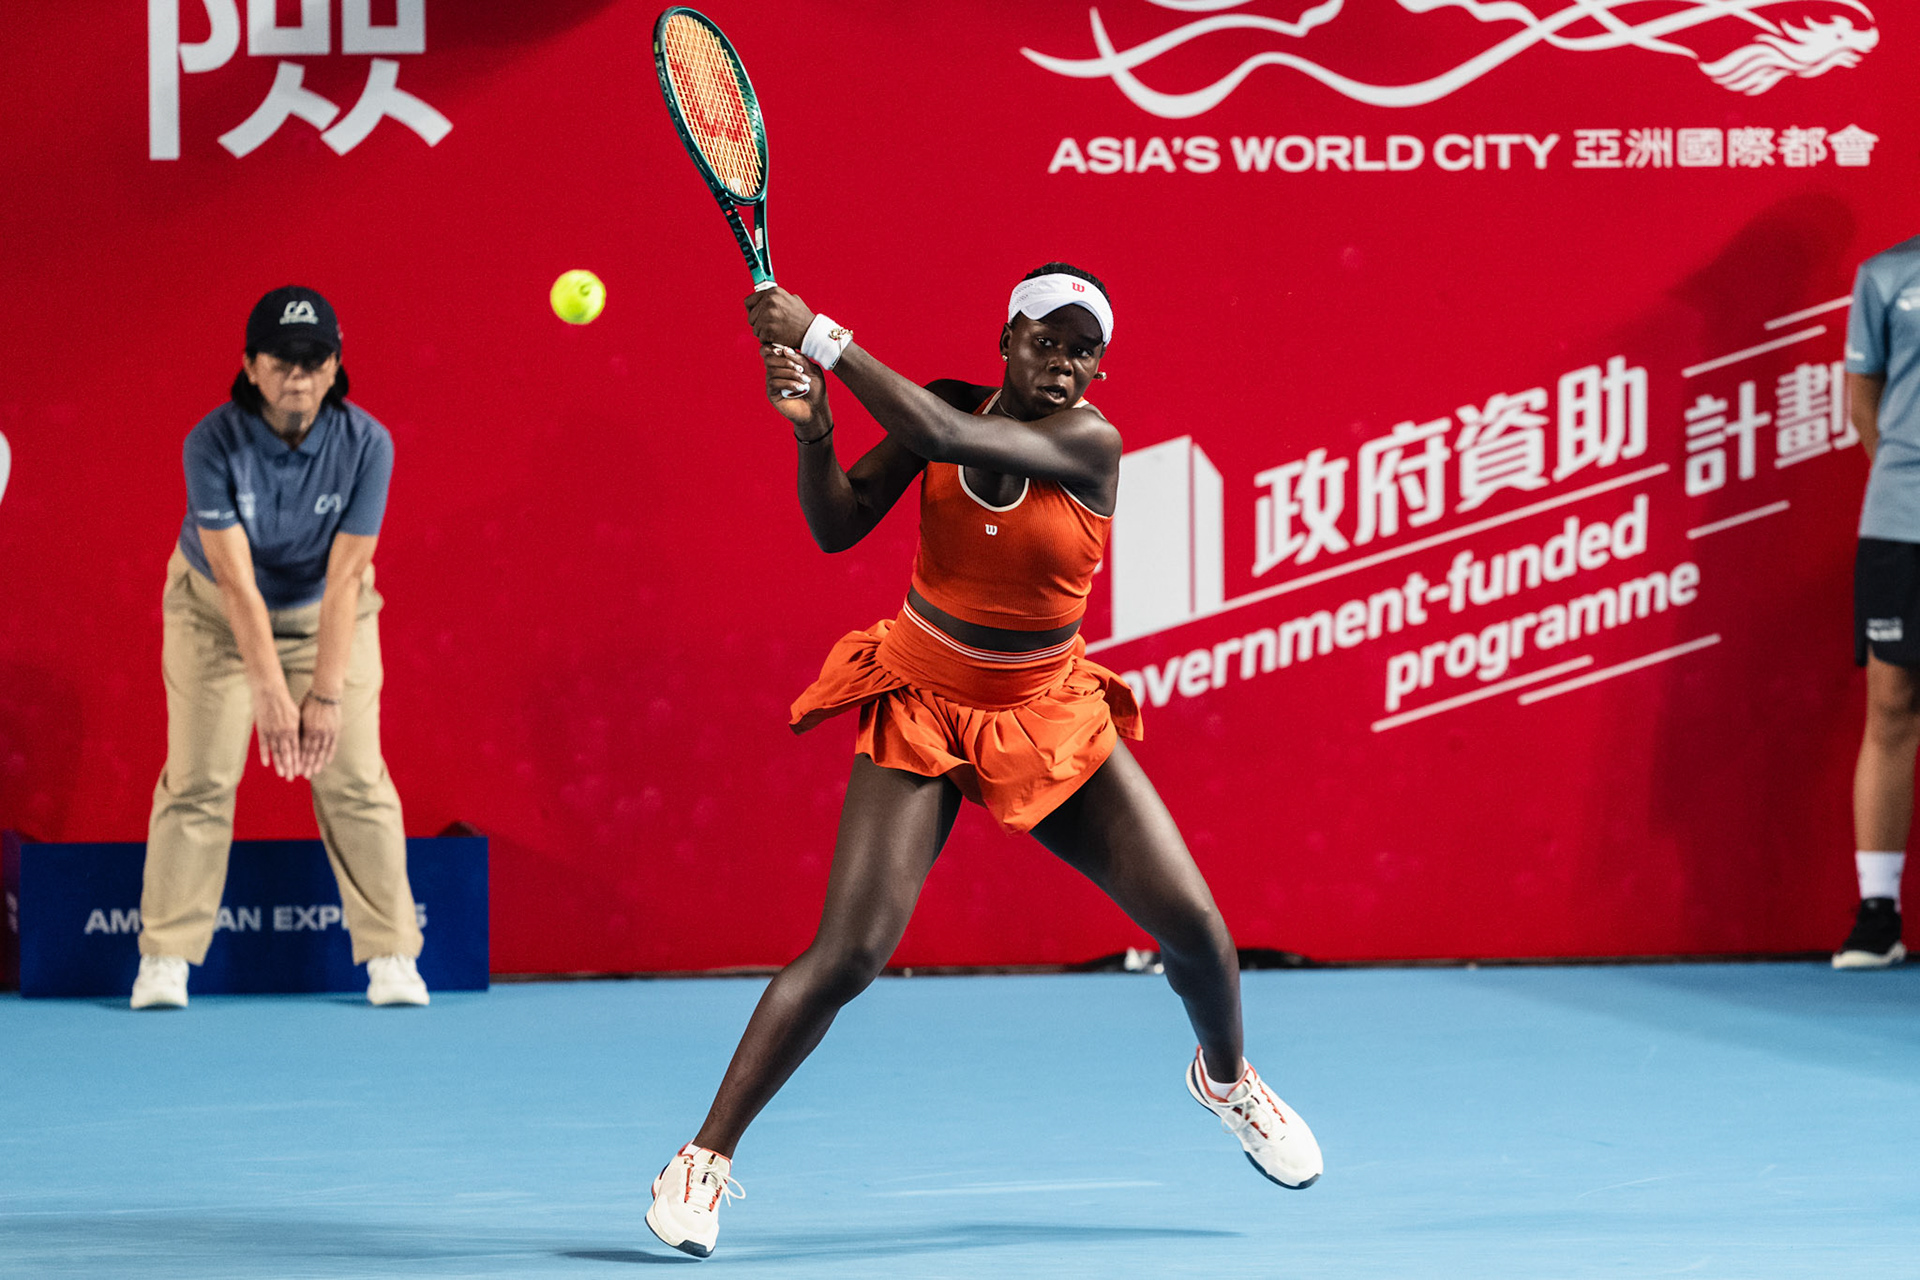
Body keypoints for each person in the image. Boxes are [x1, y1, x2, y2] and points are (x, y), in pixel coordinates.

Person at [644, 266, 1322, 1259]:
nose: (1063, 363)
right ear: (1006, 339)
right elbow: (837, 526)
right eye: (1046, 340)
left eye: (1084, 350)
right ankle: (700, 1158)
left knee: (1199, 930)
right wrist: (815, 432)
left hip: (1044, 711)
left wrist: (821, 333)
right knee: (849, 954)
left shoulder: (1090, 443)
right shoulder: (942, 404)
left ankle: (1226, 1081)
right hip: (922, 700)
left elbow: (950, 435)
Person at [129, 286, 428, 1010]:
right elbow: (235, 582)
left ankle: (391, 953)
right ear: (250, 366)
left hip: (329, 613)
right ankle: (165, 958)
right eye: (281, 359)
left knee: (356, 779)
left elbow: (348, 575)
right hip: (213, 618)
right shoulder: (211, 443)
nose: (298, 375)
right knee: (199, 779)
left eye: (313, 359)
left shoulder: (368, 445)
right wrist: (268, 690)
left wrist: (323, 693)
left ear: (335, 368)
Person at [1837, 234, 1920, 970]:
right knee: (1892, 703)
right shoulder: (1886, 276)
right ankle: (1877, 915)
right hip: (1901, 522)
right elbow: (1863, 398)